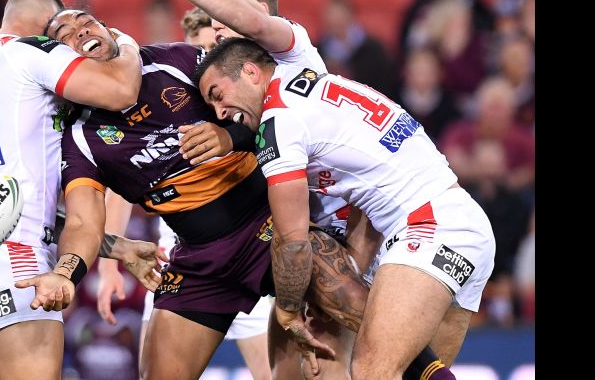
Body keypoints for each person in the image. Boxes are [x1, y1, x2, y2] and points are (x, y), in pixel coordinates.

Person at [131, 0, 455, 380]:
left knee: (357, 369)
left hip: (344, 244)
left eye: (224, 13)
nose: (217, 28)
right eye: (210, 20)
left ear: (256, 11)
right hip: (297, 252)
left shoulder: (291, 52)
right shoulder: (234, 82)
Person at [16, 8, 371, 380]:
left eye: (86, 21)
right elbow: (82, 221)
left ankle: (434, 371)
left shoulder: (174, 61)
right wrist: (64, 273)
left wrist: (229, 136)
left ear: (109, 29)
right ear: (61, 62)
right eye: (65, 33)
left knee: (362, 316)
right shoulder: (78, 139)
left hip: (270, 231)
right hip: (200, 262)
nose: (81, 30)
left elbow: (271, 107)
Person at [195, 37, 496, 379]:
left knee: (371, 370)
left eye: (218, 95)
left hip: (427, 225)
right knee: (420, 373)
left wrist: (289, 308)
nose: (220, 113)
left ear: (250, 72)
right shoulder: (310, 75)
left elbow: (292, 239)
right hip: (462, 220)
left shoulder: (278, 122)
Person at [0, 0, 165, 380]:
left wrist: (117, 247)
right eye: (61, 33)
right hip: (16, 257)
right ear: (45, 29)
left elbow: (20, 202)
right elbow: (120, 90)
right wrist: (124, 41)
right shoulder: (30, 51)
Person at [94, 7, 273, 380]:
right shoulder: (172, 87)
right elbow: (127, 185)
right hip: (182, 257)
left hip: (255, 236)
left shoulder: (233, 102)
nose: (209, 73)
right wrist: (111, 263)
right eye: (201, 54)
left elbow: (266, 130)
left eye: (215, 51)